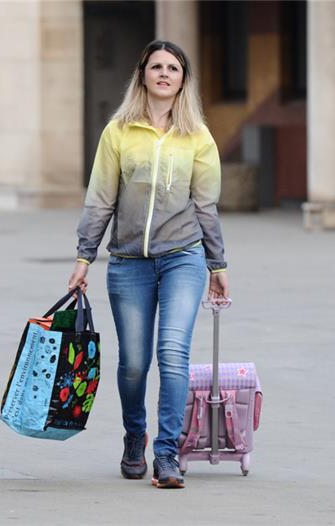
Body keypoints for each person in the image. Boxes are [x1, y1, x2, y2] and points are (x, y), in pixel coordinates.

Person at [68, 40, 229, 489]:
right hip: (127, 263)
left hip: (183, 257)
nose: (164, 74)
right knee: (135, 363)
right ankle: (134, 435)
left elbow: (206, 206)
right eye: (156, 66)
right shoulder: (118, 132)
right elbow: (100, 199)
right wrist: (84, 256)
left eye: (173, 68)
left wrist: (217, 265)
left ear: (183, 79)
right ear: (142, 75)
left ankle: (167, 453)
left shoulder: (198, 136)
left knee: (173, 355)